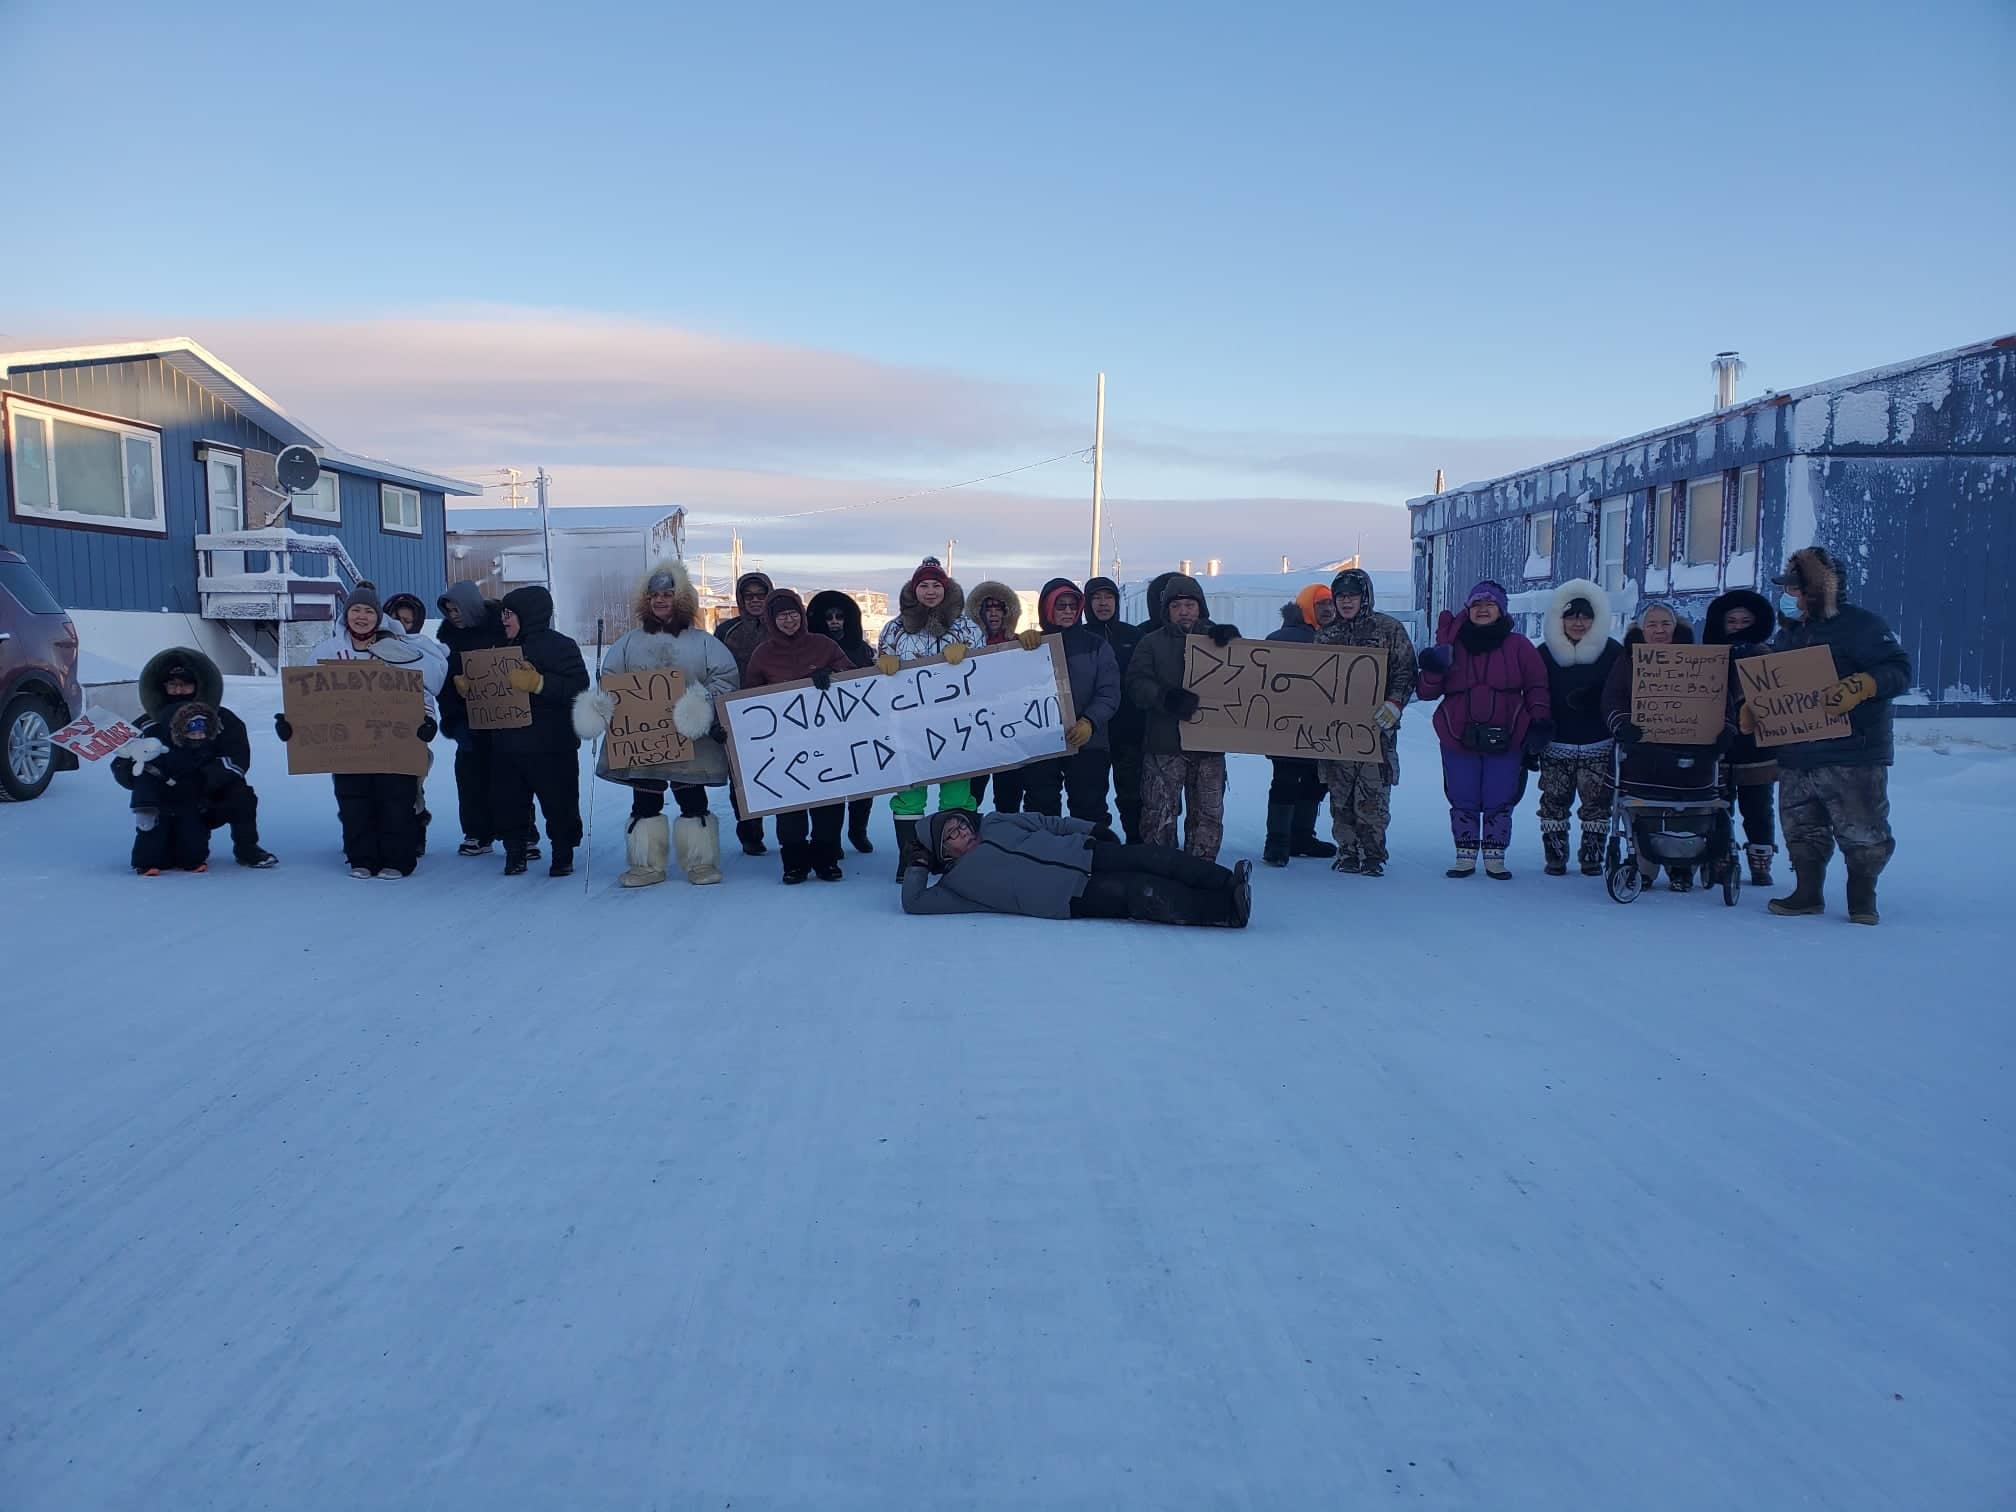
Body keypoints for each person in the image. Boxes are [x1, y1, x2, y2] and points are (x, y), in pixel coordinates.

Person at [1754, 547, 1911, 925]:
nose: (1787, 596)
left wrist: (1864, 684)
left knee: (1862, 828)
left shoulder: (1863, 626)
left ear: (1816, 589)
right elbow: (1776, 683)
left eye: (1793, 588)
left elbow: (1899, 670)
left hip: (1852, 753)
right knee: (1801, 826)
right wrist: (1756, 708)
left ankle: (1862, 897)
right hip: (1797, 754)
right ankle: (1806, 892)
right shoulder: (1789, 633)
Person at [571, 561, 737, 888]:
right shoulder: (629, 642)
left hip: (692, 739)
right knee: (645, 800)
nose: (660, 601)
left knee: (692, 799)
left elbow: (726, 678)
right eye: (655, 595)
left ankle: (701, 863)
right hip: (644, 741)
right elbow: (612, 681)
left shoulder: (704, 643)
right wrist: (602, 703)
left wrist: (699, 702)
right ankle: (646, 864)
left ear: (682, 599)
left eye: (668, 595)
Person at [276, 581, 446, 879]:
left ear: (378, 616)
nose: (362, 616)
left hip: (393, 741)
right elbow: (308, 696)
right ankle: (362, 859)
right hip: (348, 746)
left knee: (396, 801)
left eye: (368, 611)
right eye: (356, 610)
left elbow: (419, 688)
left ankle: (398, 860)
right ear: (347, 614)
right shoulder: (327, 650)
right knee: (354, 803)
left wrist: (427, 718)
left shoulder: (397, 647)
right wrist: (293, 723)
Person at [901, 809, 1253, 928]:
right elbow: (914, 902)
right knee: (1143, 891)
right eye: (952, 836)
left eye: (960, 825)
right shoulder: (959, 885)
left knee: (1153, 858)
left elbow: (1047, 822)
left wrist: (1088, 829)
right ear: (944, 854)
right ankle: (1229, 910)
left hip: (1084, 853)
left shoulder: (994, 822)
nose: (963, 831)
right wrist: (917, 862)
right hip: (1069, 897)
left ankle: (1226, 882)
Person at [1415, 580, 1551, 879]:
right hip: (1457, 732)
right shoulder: (1453, 644)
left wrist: (1540, 720)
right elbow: (1426, 692)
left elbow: (1537, 685)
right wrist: (1436, 664)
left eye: (1489, 604)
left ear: (1501, 610)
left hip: (1507, 732)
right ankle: (1464, 854)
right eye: (1477, 604)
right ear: (1468, 609)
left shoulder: (1519, 646)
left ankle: (1495, 854)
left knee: (1499, 794)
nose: (1483, 610)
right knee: (1462, 792)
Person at [111, 647, 276, 870]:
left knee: (243, 795)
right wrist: (131, 768)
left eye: (185, 685)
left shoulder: (223, 720)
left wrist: (199, 778)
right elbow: (122, 763)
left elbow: (238, 761)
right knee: (174, 857)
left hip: (208, 796)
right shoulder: (146, 724)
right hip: (165, 802)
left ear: (199, 686)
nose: (179, 691)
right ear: (163, 688)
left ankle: (247, 849)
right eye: (172, 685)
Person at [875, 560, 987, 875]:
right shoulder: (894, 628)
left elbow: (987, 672)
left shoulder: (967, 627)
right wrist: (883, 663)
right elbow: (878, 672)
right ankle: (911, 860)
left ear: (946, 589)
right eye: (924, 585)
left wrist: (967, 659)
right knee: (910, 795)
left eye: (936, 585)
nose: (930, 591)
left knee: (957, 793)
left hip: (956, 725)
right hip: (910, 726)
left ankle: (957, 858)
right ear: (914, 590)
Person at [1602, 601, 1724, 891]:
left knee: (1688, 810)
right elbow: (1612, 698)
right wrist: (1623, 725)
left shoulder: (1700, 660)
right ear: (1641, 629)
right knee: (1645, 809)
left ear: (1675, 627)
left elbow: (1720, 700)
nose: (1659, 630)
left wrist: (1723, 732)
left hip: (1690, 751)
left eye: (1665, 624)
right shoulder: (1628, 660)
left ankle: (1683, 863)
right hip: (1644, 751)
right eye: (1652, 625)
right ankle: (1644, 863)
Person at [742, 588, 857, 883]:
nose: (789, 620)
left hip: (826, 739)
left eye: (793, 614)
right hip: (784, 745)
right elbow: (749, 697)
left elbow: (852, 676)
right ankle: (794, 863)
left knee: (828, 804)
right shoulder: (763, 654)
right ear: (771, 619)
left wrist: (829, 674)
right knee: (790, 806)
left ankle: (827, 860)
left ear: (802, 615)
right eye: (782, 616)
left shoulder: (824, 645)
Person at [1123, 573, 1239, 861]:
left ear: (1200, 607)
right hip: (1164, 745)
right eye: (1176, 606)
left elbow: (1244, 676)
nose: (1184, 611)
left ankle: (1201, 870)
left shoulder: (1218, 639)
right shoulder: (1151, 643)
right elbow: (1136, 684)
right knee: (1158, 814)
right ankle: (1160, 873)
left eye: (1190, 604)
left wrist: (1234, 642)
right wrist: (1165, 698)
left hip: (1208, 746)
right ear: (1166, 611)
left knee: (1207, 816)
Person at [1316, 567, 1417, 877]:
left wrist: (1395, 702)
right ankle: (1346, 852)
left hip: (1377, 730)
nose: (1346, 602)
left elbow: (1406, 670)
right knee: (1341, 794)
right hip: (1337, 733)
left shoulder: (1388, 629)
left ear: (1365, 597)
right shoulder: (1326, 636)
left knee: (1373, 793)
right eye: (1341, 597)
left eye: (1352, 596)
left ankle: (1372, 854)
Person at [484, 585, 589, 877]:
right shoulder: (499, 647)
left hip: (552, 745)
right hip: (508, 744)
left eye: (510, 614)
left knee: (559, 803)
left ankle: (562, 853)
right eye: (503, 613)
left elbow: (578, 686)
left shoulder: (561, 646)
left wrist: (540, 684)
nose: (504, 619)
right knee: (509, 802)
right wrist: (474, 689)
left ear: (528, 615)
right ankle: (515, 852)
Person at [435, 581, 536, 860]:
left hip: (506, 716)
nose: (453, 615)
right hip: (469, 720)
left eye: (457, 609)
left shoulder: (500, 628)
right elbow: (443, 684)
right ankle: (478, 833)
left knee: (513, 779)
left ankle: (523, 834)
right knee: (470, 779)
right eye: (448, 610)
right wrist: (454, 719)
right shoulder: (447, 640)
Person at [1534, 578, 1623, 877]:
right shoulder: (1545, 654)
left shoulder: (1612, 652)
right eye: (1571, 615)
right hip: (1556, 744)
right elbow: (1534, 694)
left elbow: (1623, 691)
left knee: (1597, 804)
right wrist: (1535, 729)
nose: (1578, 622)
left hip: (1598, 743)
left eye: (1586, 616)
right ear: (1560, 618)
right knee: (1553, 802)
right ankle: (1556, 855)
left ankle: (1592, 856)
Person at [1018, 578, 1121, 822]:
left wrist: (1090, 721)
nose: (1067, 611)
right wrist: (1018, 645)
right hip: (1041, 741)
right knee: (1040, 807)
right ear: (1047, 609)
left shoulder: (1097, 646)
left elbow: (1109, 692)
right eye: (1060, 605)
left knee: (1089, 808)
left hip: (1088, 743)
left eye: (1072, 606)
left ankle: (1089, 857)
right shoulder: (1031, 646)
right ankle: (1042, 856)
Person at [1703, 588, 1782, 886]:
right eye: (1731, 620)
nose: (1737, 626)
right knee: (1718, 805)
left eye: (1745, 620)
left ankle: (1760, 860)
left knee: (1758, 806)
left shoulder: (1769, 656)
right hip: (1718, 744)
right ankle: (1721, 854)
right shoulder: (1707, 657)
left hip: (1757, 746)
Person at [1260, 586, 1339, 866]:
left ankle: (1301, 836)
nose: (1328, 609)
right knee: (1285, 780)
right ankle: (1278, 842)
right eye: (1320, 604)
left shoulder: (1340, 638)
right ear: (1306, 606)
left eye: (1331, 603)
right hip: (1285, 727)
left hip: (1323, 727)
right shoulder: (1281, 639)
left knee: (1316, 781)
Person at [117, 696, 227, 875]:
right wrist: (144, 807)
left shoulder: (207, 751)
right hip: (160, 802)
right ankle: (147, 863)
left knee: (193, 834)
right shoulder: (158, 752)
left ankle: (193, 860)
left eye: (201, 733)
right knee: (153, 835)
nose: (198, 737)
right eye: (193, 733)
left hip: (190, 802)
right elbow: (145, 780)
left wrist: (208, 800)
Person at [807, 589, 880, 855]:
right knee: (830, 787)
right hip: (823, 731)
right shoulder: (809, 649)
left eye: (840, 616)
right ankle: (831, 839)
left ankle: (858, 830)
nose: (835, 621)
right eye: (829, 617)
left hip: (860, 727)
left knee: (864, 785)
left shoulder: (862, 649)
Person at [964, 579, 1046, 813]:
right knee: (971, 796)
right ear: (977, 613)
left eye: (998, 608)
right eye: (987, 608)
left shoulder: (1019, 643)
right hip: (975, 734)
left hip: (1011, 733)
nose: (993, 614)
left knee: (1009, 796)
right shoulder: (965, 647)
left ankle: (1006, 840)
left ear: (1008, 612)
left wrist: (1036, 647)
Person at [712, 570, 775, 856]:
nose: (755, 601)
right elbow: (713, 671)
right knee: (743, 778)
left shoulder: (784, 623)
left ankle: (792, 834)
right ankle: (750, 833)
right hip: (738, 713)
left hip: (780, 711)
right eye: (748, 596)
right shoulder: (727, 631)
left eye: (761, 595)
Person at [1082, 575, 1145, 842]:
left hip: (1128, 730)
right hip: (1091, 731)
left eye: (1108, 597)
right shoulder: (1078, 636)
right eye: (1096, 598)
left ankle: (1136, 845)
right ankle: (1097, 848)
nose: (1103, 603)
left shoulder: (1135, 635)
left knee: (1132, 795)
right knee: (1091, 796)